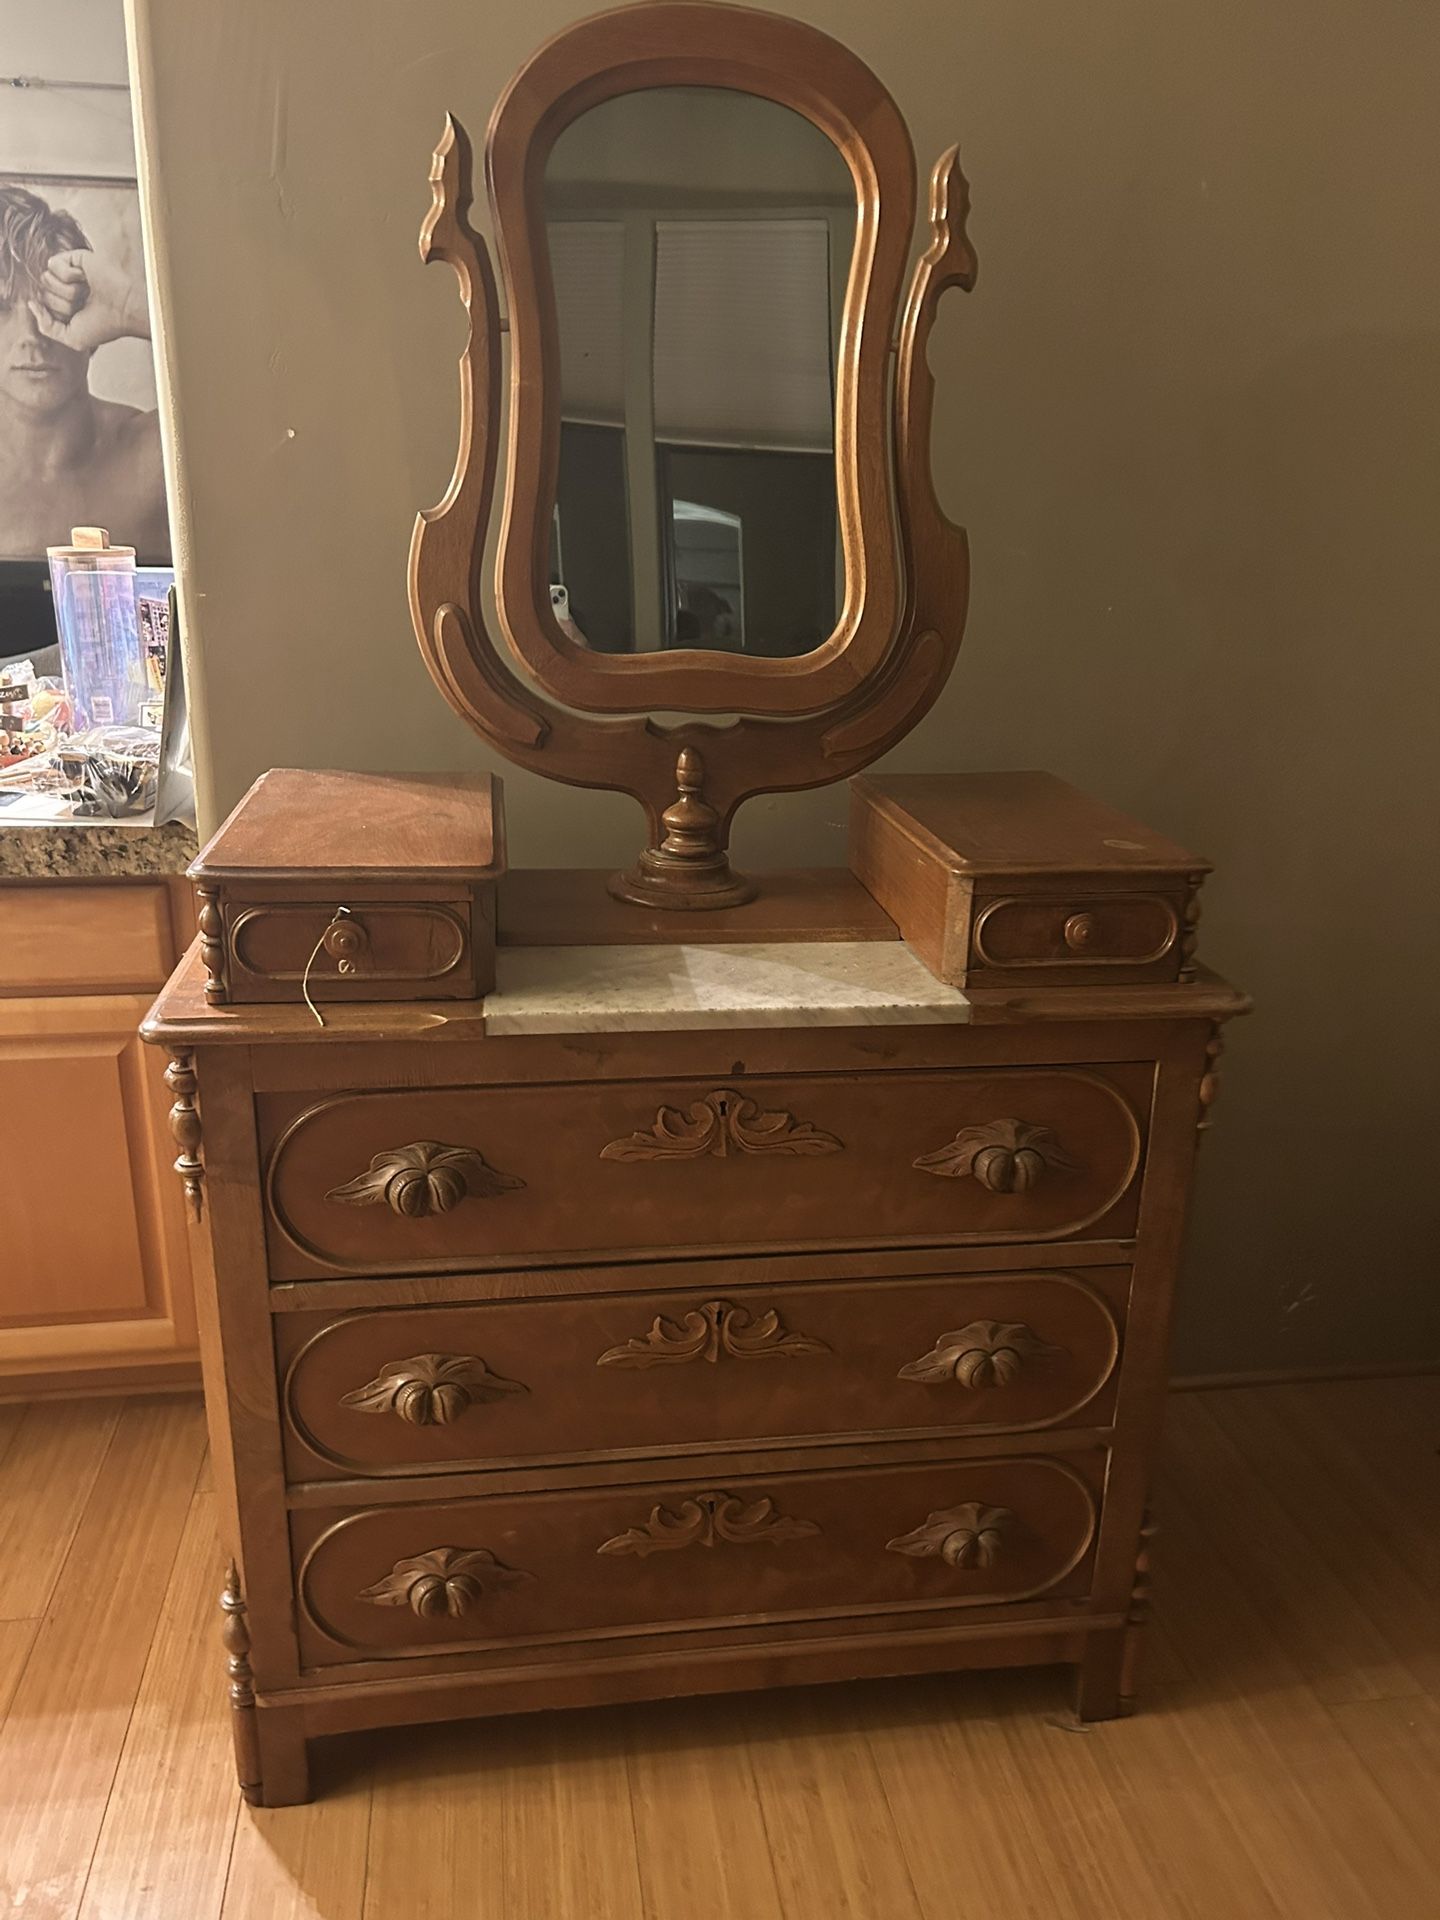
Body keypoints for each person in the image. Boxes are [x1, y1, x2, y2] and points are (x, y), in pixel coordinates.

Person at [0, 183, 169, 562]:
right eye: (1, 308)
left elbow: (280, 387)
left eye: (52, 305)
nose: (32, 336)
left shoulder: (155, 458)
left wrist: (133, 308)